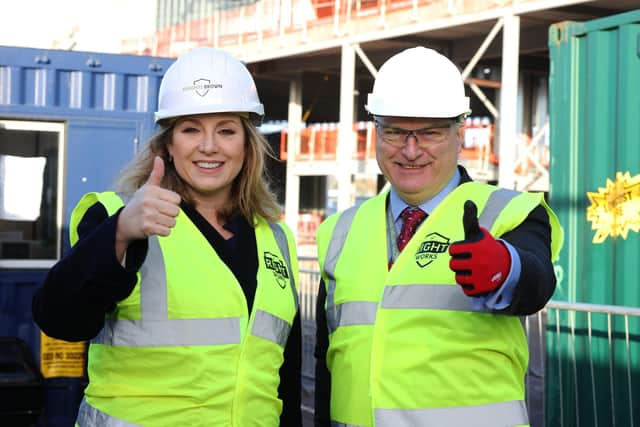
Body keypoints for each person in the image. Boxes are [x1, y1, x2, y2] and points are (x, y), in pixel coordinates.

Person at [32, 47, 302, 426]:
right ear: (169, 146)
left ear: (247, 145)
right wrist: (121, 234)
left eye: (226, 130)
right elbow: (60, 319)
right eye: (191, 129)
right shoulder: (116, 217)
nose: (209, 146)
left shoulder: (276, 238)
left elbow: (284, 380)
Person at [313, 46, 563, 427]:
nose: (411, 151)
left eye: (429, 133)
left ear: (459, 134)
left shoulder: (506, 213)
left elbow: (536, 279)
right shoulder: (339, 232)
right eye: (395, 132)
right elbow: (327, 359)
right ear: (376, 133)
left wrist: (506, 268)